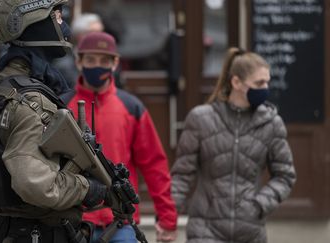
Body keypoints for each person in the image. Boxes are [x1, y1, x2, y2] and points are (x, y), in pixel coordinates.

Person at [0, 1, 110, 243]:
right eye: (56, 16)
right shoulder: (30, 101)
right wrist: (87, 188)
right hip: (39, 233)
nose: (62, 23)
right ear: (34, 22)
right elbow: (35, 184)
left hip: (14, 229)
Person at [171, 47, 297, 243]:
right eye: (259, 83)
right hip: (204, 230)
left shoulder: (272, 124)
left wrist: (259, 205)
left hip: (250, 232)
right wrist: (168, 217)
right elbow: (182, 175)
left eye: (267, 82)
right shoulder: (201, 119)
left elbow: (285, 175)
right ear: (236, 82)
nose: (265, 88)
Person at [64, 31, 178, 243]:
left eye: (104, 60)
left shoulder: (131, 107)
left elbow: (155, 166)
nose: (97, 65)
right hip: (73, 222)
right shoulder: (62, 107)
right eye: (90, 59)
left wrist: (167, 218)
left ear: (115, 63)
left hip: (120, 222)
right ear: (78, 62)